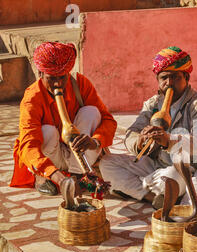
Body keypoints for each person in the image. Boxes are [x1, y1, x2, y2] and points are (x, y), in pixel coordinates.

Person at [99, 46, 197, 209]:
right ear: (158, 80)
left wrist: (169, 141)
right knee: (107, 163)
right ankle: (154, 197)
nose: (169, 83)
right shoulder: (153, 104)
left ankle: (147, 189)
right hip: (158, 165)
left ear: (186, 77)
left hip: (190, 168)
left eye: (175, 77)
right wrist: (139, 142)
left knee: (172, 176)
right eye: (164, 78)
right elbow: (131, 132)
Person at [9, 41, 117, 196]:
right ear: (40, 74)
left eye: (62, 77)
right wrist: (58, 178)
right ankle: (43, 176)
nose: (57, 84)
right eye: (51, 78)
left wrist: (95, 141)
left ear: (68, 73)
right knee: (47, 131)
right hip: (53, 156)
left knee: (91, 112)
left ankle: (78, 174)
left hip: (78, 152)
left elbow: (108, 120)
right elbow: (29, 146)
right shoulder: (32, 99)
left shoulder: (80, 84)